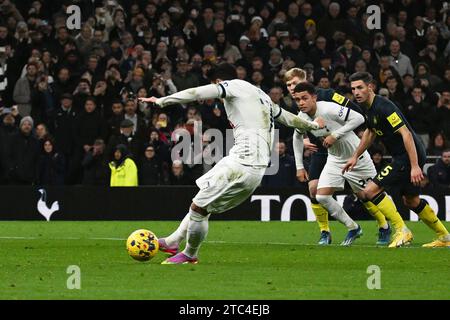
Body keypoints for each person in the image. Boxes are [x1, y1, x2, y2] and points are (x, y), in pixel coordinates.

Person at [138, 63, 324, 264]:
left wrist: (163, 100)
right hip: (250, 166)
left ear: (219, 81)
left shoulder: (231, 86)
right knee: (202, 201)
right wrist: (312, 126)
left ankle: (190, 255)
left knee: (198, 208)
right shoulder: (261, 95)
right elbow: (287, 118)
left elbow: (197, 92)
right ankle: (173, 241)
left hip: (243, 164)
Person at [344, 72, 450, 248]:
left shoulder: (385, 107)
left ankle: (402, 230)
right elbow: (370, 132)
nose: (356, 92)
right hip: (403, 156)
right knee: (411, 200)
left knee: (370, 191)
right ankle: (444, 237)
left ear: (370, 87)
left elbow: (406, 133)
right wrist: (355, 155)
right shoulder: (367, 107)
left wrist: (414, 166)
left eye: (360, 87)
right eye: (353, 88)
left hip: (407, 156)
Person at [284, 68, 388, 245]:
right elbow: (297, 134)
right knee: (315, 190)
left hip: (346, 146)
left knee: (363, 194)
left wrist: (337, 132)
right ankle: (325, 232)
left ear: (305, 79)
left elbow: (355, 112)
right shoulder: (300, 108)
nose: (292, 88)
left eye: (294, 83)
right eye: (288, 85)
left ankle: (384, 225)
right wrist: (304, 147)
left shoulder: (327, 95)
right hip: (322, 151)